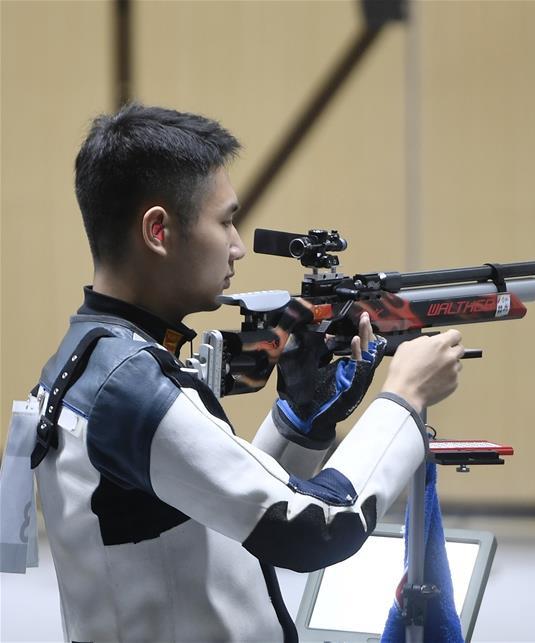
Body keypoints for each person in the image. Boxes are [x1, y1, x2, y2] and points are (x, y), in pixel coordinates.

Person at [29, 103, 464, 642]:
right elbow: (318, 528)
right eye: (226, 220)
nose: (237, 246)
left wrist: (301, 420)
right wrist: (405, 398)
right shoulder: (130, 388)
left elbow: (215, 508)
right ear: (159, 231)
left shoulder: (94, 361)